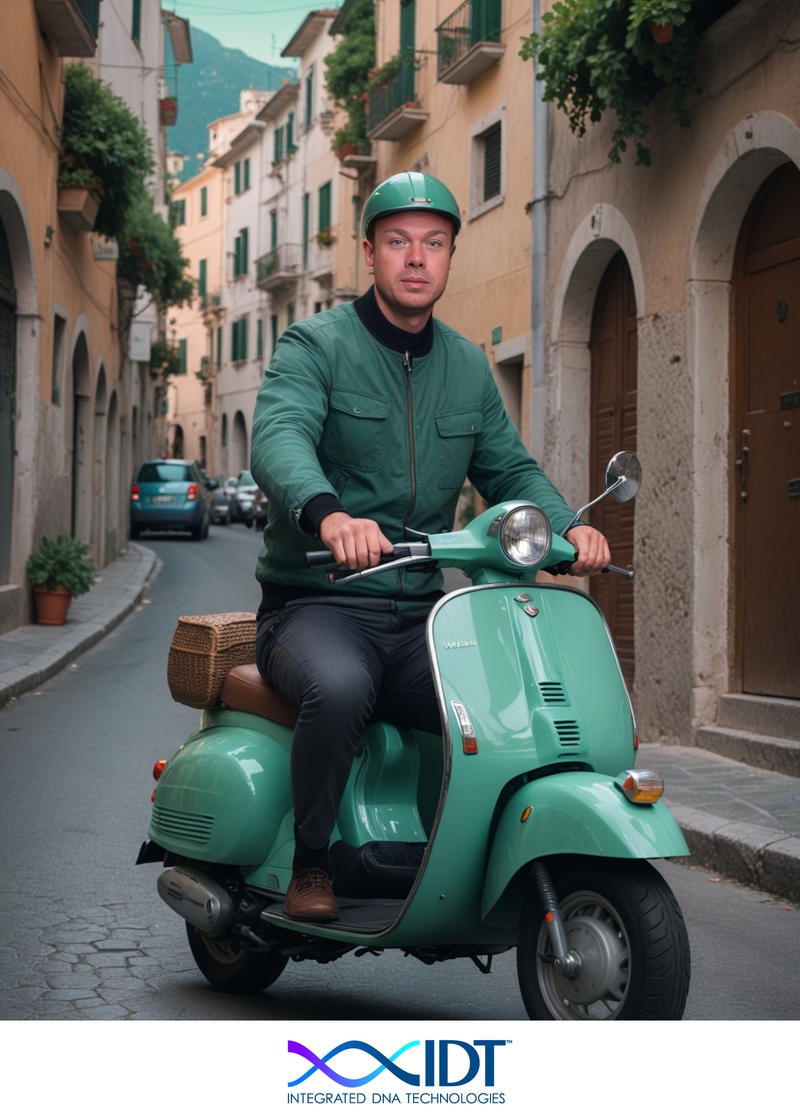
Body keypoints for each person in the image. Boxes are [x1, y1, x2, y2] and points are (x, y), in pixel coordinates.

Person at [250, 172, 610, 922]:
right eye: (399, 242)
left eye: (434, 243)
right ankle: (312, 862)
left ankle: (463, 857)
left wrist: (566, 524)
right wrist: (329, 515)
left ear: (449, 255)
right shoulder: (316, 344)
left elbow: (508, 468)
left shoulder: (467, 365)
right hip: (316, 604)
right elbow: (279, 437)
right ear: (370, 253)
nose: (417, 258)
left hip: (425, 615)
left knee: (506, 708)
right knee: (339, 687)